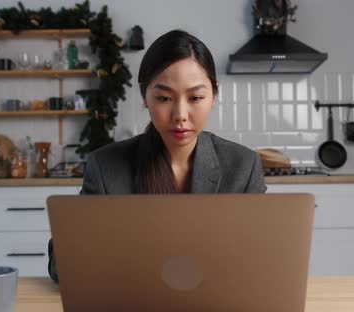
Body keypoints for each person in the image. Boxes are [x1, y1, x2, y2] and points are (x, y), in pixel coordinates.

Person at [48, 29, 266, 281]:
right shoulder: (106, 166)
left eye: (195, 97)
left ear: (214, 94)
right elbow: (59, 265)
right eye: (163, 98)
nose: (180, 114)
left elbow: (261, 257)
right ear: (144, 96)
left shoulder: (243, 165)